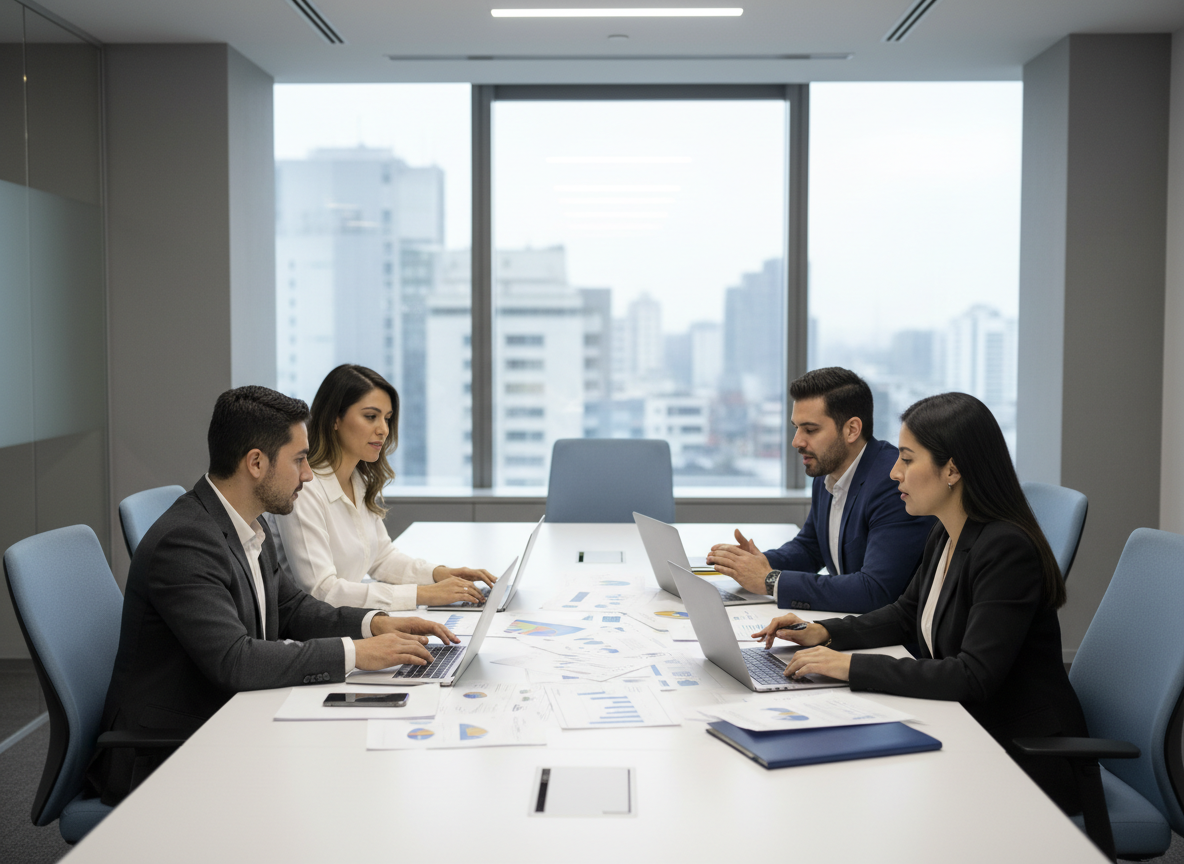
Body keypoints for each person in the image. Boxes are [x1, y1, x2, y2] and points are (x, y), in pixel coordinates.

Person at [86, 386, 459, 805]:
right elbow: (236, 660)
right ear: (256, 463)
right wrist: (357, 654)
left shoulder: (245, 523)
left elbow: (290, 606)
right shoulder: (187, 541)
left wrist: (373, 623)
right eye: (299, 460)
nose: (306, 474)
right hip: (166, 753)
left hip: (227, 717)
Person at [753, 392, 1087, 814]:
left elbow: (972, 677)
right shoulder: (947, 531)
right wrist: (826, 633)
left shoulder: (1006, 550)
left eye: (908, 460)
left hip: (1023, 756)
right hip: (969, 729)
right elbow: (906, 613)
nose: (894, 473)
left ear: (953, 469)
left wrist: (850, 667)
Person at [707, 367, 933, 613]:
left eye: (810, 430)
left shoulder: (893, 482)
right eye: (796, 428)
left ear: (852, 429)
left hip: (893, 642)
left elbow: (875, 590)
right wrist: (751, 564)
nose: (797, 441)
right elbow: (809, 548)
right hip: (850, 625)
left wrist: (770, 581)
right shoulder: (827, 470)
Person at [270, 364, 495, 610]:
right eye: (370, 417)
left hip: (349, 625)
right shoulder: (304, 489)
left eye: (387, 419)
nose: (383, 430)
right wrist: (424, 595)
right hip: (312, 639)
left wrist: (441, 574)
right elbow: (323, 591)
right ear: (335, 418)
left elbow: (381, 558)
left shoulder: (359, 481)